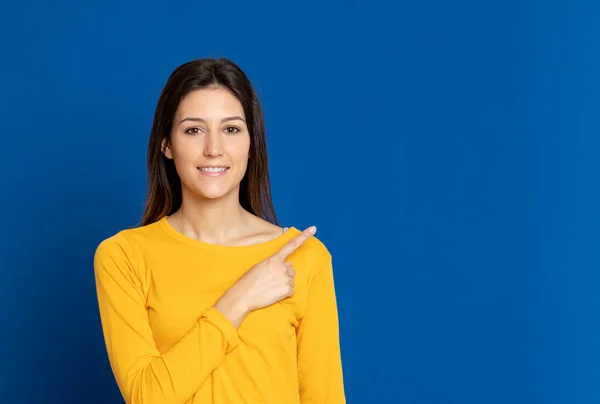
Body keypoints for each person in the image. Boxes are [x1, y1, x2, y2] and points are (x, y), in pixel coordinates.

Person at [93, 58, 345, 404]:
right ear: (166, 144)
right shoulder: (124, 257)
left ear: (251, 143)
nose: (214, 149)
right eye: (193, 130)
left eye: (231, 129)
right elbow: (146, 396)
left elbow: (324, 396)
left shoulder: (303, 257)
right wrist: (241, 297)